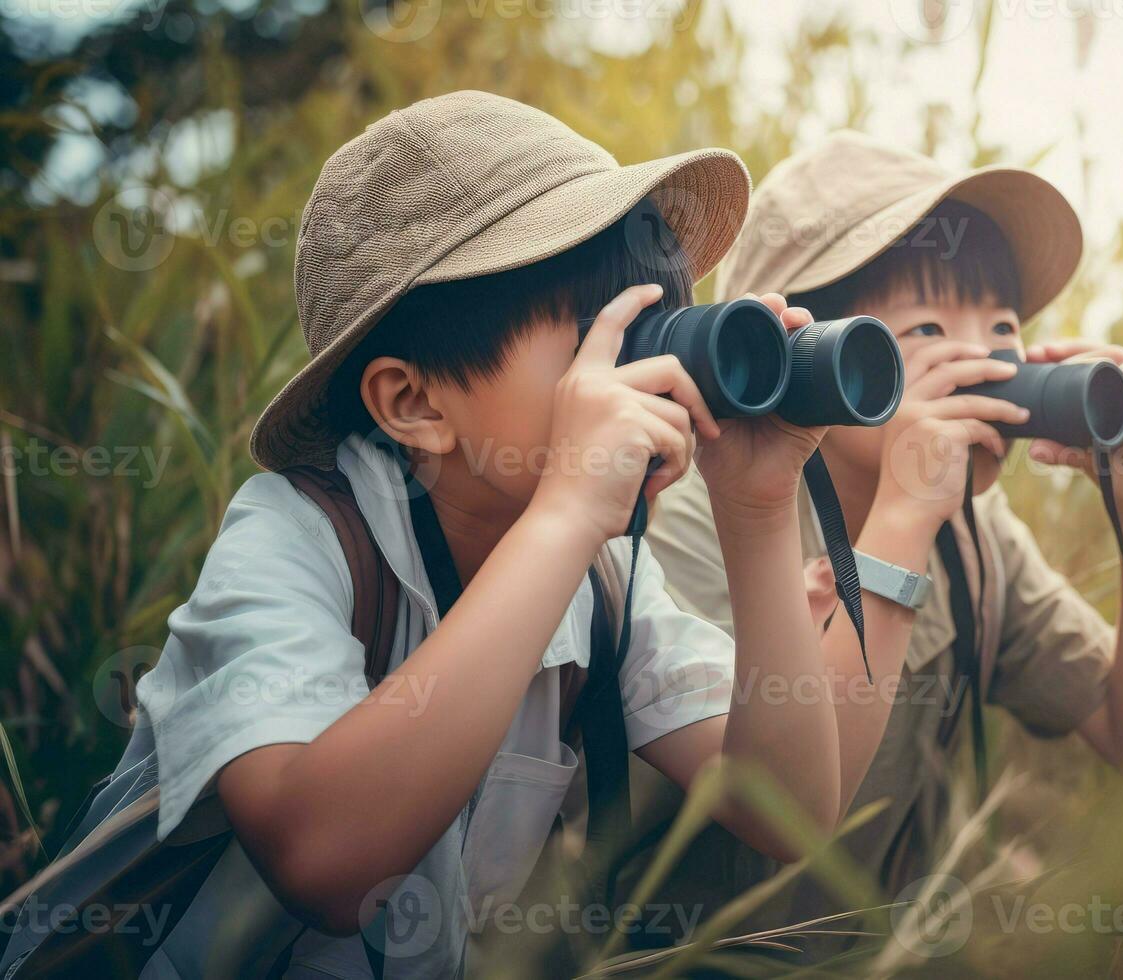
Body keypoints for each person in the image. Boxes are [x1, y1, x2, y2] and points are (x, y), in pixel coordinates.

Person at [62, 95, 929, 977]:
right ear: (413, 403)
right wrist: (567, 512)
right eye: (601, 339)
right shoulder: (295, 537)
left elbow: (786, 813)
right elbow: (322, 859)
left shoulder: (607, 580)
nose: (640, 378)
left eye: (656, 329)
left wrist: (757, 509)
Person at [629, 130, 1123, 949]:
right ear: (810, 357)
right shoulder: (702, 521)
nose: (988, 363)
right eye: (929, 330)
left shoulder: (974, 537)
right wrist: (901, 518)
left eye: (1003, 326)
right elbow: (781, 810)